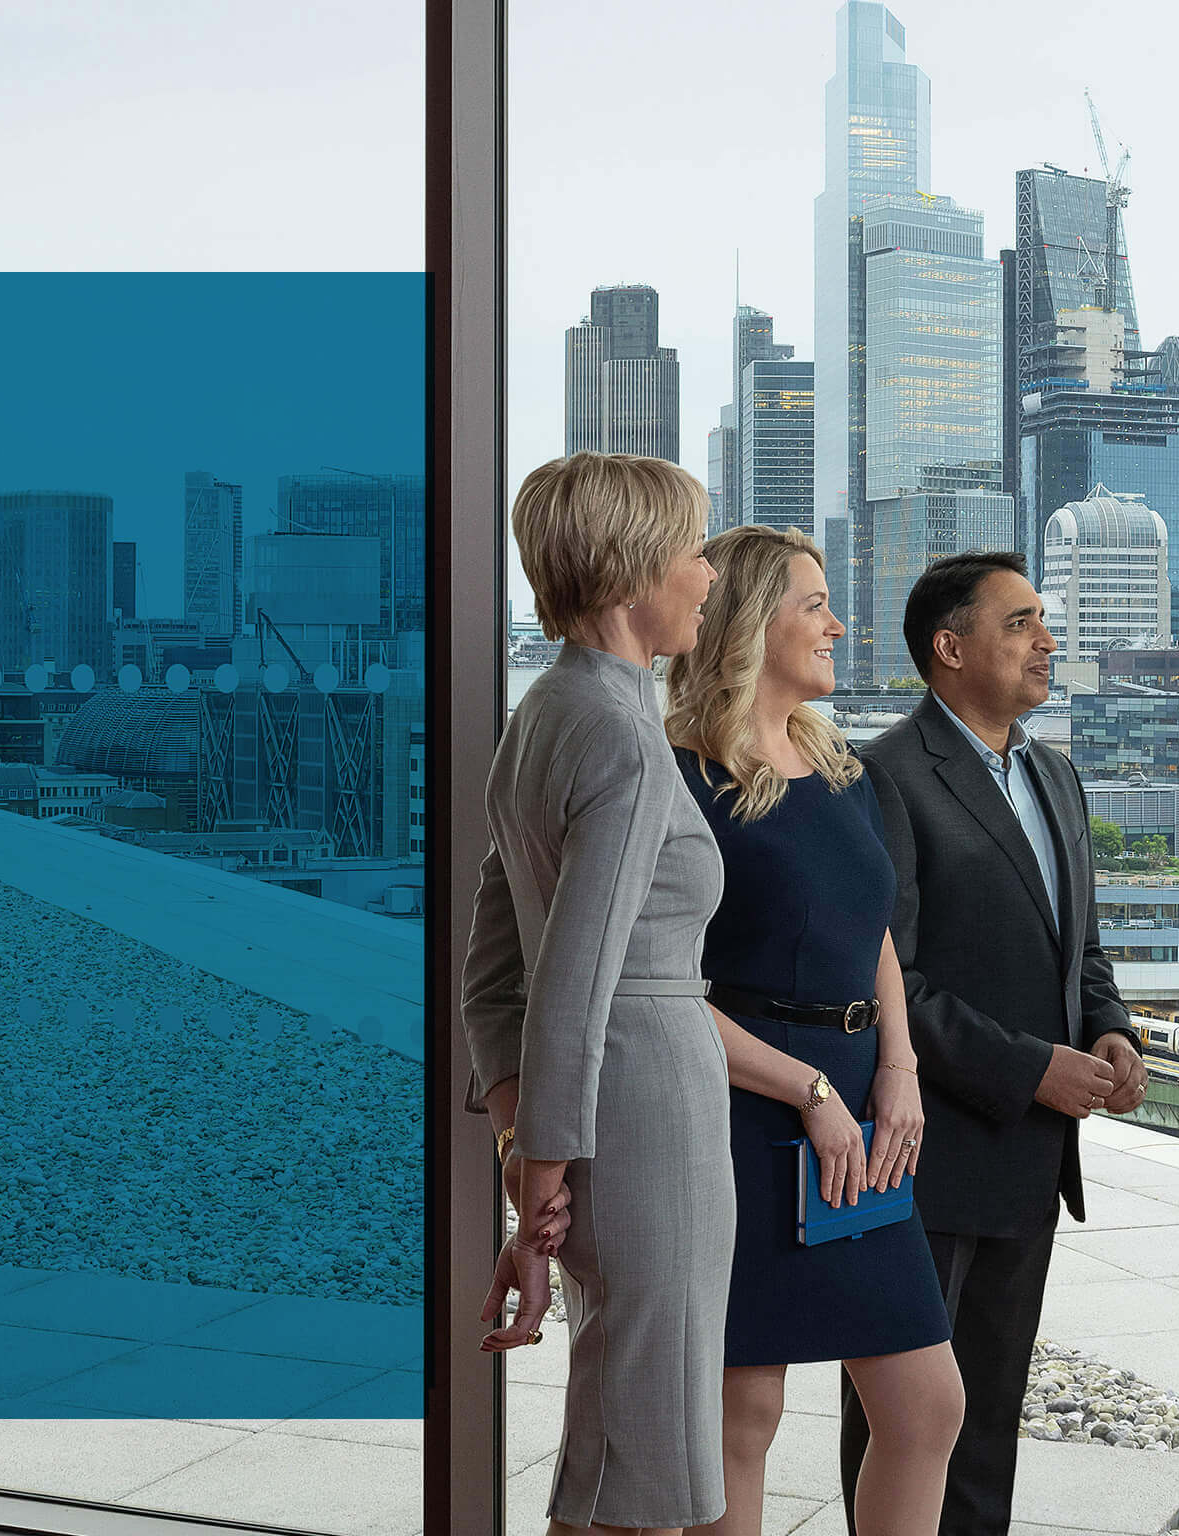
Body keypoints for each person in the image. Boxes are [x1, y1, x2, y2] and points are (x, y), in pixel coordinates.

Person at [660, 525, 963, 1536]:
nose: (837, 624)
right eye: (812, 606)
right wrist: (810, 1090)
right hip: (742, 1113)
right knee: (742, 1412)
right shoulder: (681, 781)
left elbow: (867, 924)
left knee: (927, 1406)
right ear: (751, 622)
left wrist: (900, 1065)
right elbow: (657, 992)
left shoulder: (843, 769)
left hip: (859, 1104)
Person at [843, 550, 1146, 1536]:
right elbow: (893, 982)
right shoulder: (885, 778)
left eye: (1042, 621)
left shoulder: (1055, 775)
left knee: (988, 1429)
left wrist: (1110, 1027)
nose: (1047, 641)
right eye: (1019, 624)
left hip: (1028, 1162)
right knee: (903, 1425)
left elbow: (1079, 947)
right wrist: (1031, 1070)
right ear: (950, 647)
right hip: (925, 1159)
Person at [464, 451, 733, 1535]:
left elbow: (493, 968)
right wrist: (543, 1166)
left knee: (619, 1427)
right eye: (693, 551)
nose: (709, 575)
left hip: (597, 1113)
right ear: (633, 572)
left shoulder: (545, 713)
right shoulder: (622, 734)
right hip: (649, 1105)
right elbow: (575, 975)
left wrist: (525, 1140)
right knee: (648, 1453)